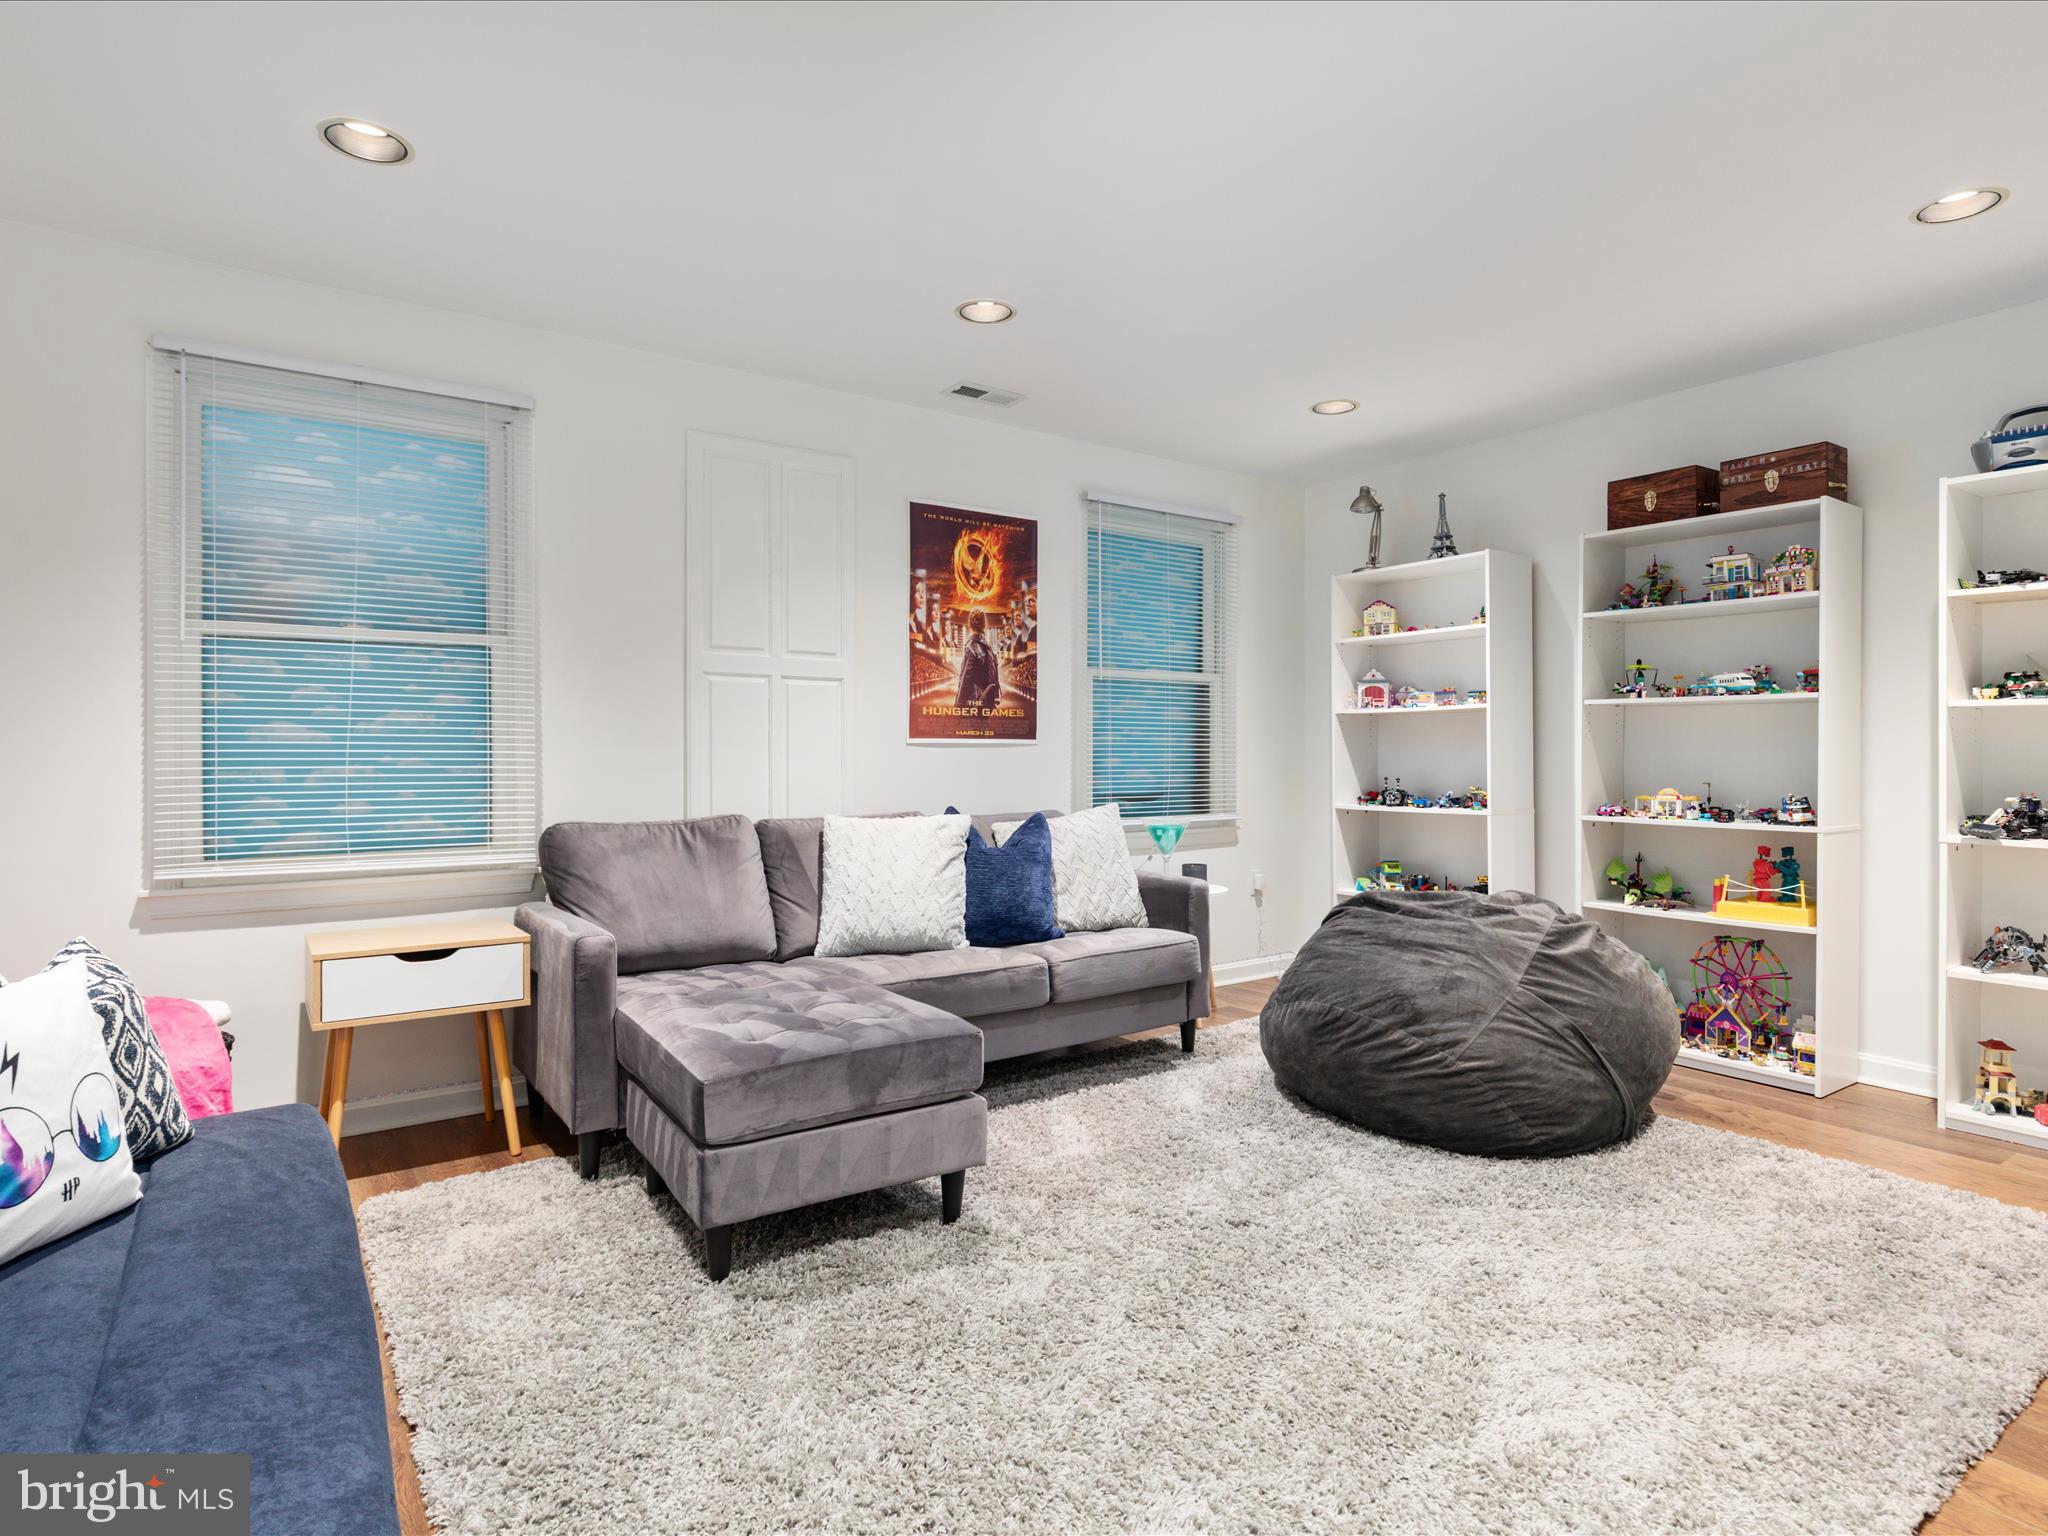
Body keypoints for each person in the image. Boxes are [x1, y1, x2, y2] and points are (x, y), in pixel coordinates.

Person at [956, 610, 1001, 711]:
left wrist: (959, 703)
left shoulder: (971, 645)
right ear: (984, 624)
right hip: (988, 701)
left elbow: (966, 676)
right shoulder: (988, 646)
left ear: (970, 624)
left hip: (974, 701)